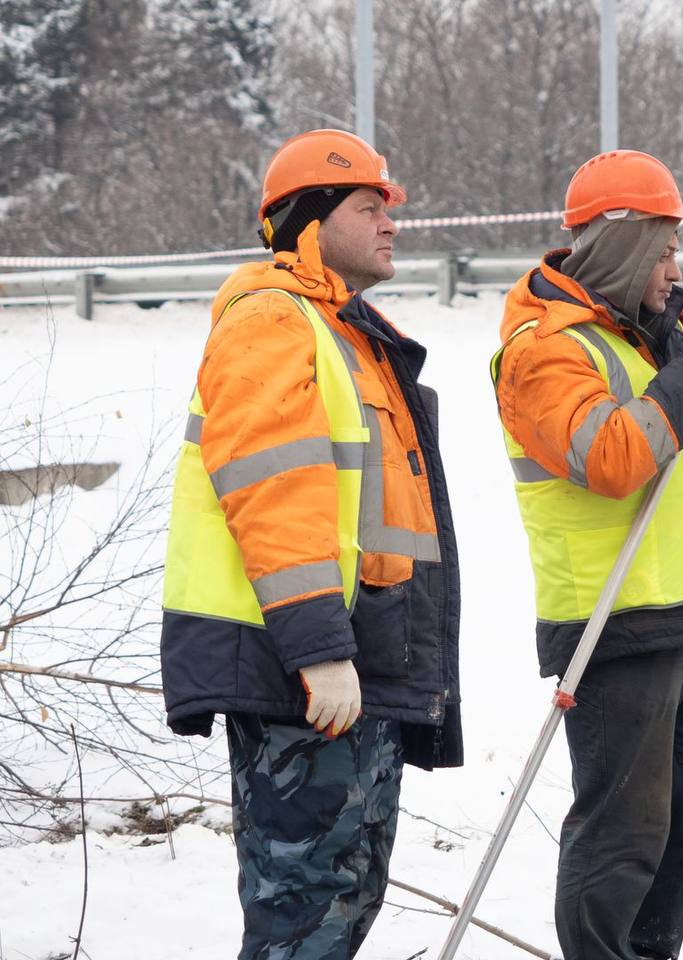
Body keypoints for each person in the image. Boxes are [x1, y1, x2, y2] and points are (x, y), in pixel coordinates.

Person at [159, 128, 462, 959]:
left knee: (343, 904)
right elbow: (271, 491)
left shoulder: (349, 333)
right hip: (302, 673)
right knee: (303, 918)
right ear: (307, 221)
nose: (392, 222)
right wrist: (321, 649)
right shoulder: (271, 321)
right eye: (369, 207)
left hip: (352, 673)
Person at [490, 149, 683, 960]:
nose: (674, 268)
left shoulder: (645, 330)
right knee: (624, 835)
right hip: (612, 618)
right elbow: (613, 458)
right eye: (661, 250)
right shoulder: (543, 349)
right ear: (620, 244)